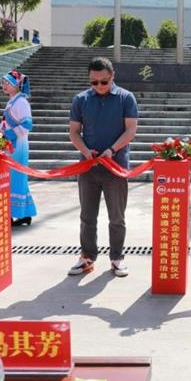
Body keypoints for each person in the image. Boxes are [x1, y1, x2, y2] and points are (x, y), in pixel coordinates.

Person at [68, 57, 138, 277]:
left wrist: (112, 150)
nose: (99, 86)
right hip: (88, 166)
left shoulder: (126, 98)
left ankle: (117, 258)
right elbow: (74, 132)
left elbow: (131, 130)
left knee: (116, 217)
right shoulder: (81, 99)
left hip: (115, 166)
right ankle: (87, 257)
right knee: (87, 216)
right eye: (94, 82)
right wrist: (86, 151)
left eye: (103, 81)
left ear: (112, 75)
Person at [0, 70, 37, 226]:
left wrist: (7, 134)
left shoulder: (21, 102)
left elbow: (27, 125)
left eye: (8, 83)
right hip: (11, 146)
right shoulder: (13, 101)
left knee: (14, 179)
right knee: (16, 179)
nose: (4, 86)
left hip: (17, 146)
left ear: (16, 85)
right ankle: (24, 213)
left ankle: (11, 213)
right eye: (3, 83)